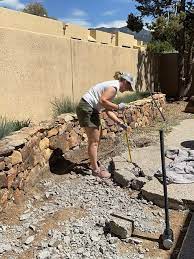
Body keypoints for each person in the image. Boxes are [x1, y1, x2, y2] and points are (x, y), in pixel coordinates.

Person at [76, 72, 135, 178]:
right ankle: (95, 170)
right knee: (94, 141)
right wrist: (118, 107)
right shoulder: (113, 88)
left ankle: (94, 163)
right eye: (129, 87)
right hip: (87, 108)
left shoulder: (113, 87)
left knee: (97, 137)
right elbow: (102, 100)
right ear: (125, 82)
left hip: (91, 109)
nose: (127, 90)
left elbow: (108, 110)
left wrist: (121, 124)